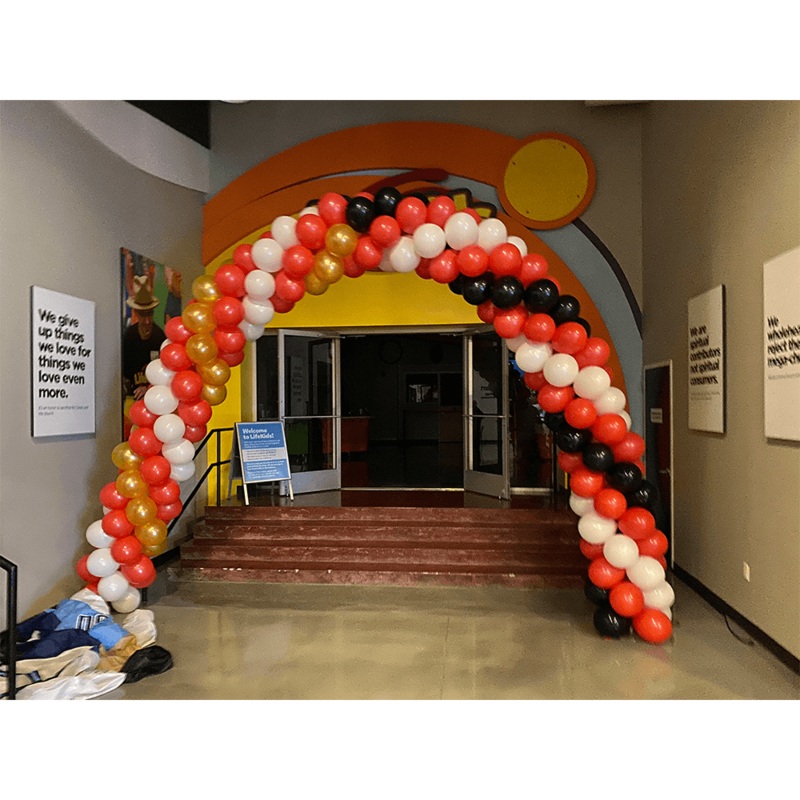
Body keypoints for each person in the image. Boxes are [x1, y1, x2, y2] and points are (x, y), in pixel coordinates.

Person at [122, 276, 166, 435]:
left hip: (154, 398)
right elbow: (124, 370)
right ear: (136, 314)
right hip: (132, 399)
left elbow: (165, 374)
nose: (147, 321)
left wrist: (148, 387)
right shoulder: (129, 336)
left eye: (150, 315)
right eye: (143, 315)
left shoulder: (159, 336)